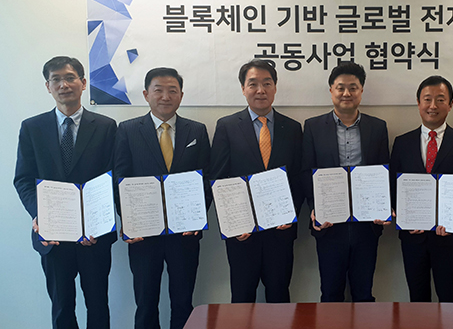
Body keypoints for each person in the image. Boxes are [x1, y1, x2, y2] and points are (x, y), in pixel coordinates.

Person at [14, 56, 117, 329]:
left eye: (70, 78)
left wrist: (99, 220)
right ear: (48, 87)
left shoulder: (106, 127)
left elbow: (112, 178)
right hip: (53, 237)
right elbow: (23, 179)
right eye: (56, 79)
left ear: (83, 83)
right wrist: (39, 214)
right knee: (62, 308)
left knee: (98, 305)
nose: (64, 85)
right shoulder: (32, 128)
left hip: (94, 237)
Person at [114, 67, 210, 329]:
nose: (165, 97)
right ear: (146, 94)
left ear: (181, 96)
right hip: (143, 234)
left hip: (185, 233)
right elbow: (120, 179)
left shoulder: (197, 131)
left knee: (183, 301)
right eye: (158, 90)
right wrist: (128, 220)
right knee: (146, 302)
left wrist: (198, 217)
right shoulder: (127, 130)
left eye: (172, 91)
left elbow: (206, 179)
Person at [210, 59, 303, 303]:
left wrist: (290, 213)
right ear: (243, 88)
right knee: (242, 299)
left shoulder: (293, 128)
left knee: (279, 297)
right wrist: (232, 223)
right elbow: (218, 178)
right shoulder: (227, 126)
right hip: (242, 234)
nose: (260, 90)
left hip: (280, 232)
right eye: (253, 84)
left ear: (275, 87)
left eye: (267, 83)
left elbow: (298, 177)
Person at [302, 61, 390, 302]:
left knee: (364, 294)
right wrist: (314, 208)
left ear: (361, 91)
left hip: (366, 224)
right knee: (331, 293)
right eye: (340, 87)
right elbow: (306, 171)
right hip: (329, 224)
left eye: (353, 87)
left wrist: (384, 207)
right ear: (331, 90)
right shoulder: (313, 127)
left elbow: (384, 172)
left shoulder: (377, 127)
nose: (346, 93)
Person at [389, 75, 453, 302]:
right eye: (427, 99)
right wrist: (404, 218)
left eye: (440, 99)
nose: (433, 106)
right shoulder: (402, 143)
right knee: (417, 300)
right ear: (418, 103)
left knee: (450, 300)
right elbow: (394, 185)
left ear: (450, 105)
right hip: (413, 236)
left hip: (448, 237)